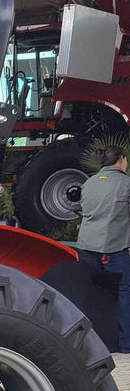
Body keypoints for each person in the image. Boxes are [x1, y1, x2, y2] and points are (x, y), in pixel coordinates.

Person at [77, 144, 130, 352]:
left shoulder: (89, 183)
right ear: (121, 160)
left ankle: (92, 345)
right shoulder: (125, 183)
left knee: (94, 294)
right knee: (124, 292)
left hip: (87, 247)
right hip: (113, 248)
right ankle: (126, 344)